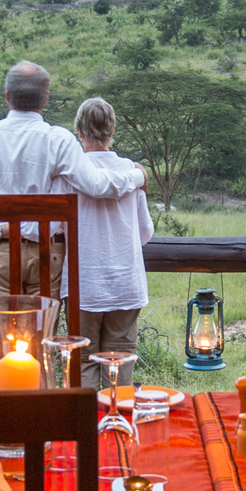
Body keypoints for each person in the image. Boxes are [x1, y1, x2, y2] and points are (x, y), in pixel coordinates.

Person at [0, 60, 140, 297]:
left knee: (2, 331)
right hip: (46, 253)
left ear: (7, 97)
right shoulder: (59, 139)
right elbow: (98, 186)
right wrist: (137, 175)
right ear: (46, 97)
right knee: (42, 329)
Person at [65, 97, 152, 354]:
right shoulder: (131, 171)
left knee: (83, 361)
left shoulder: (69, 172)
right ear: (112, 130)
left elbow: (56, 228)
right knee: (122, 358)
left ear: (79, 131)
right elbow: (144, 232)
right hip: (126, 281)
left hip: (83, 282)